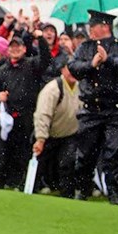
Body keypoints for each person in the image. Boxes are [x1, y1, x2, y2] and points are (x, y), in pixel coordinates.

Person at [67, 9, 118, 205]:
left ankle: (114, 193)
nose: (90, 29)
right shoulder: (84, 48)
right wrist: (91, 64)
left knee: (113, 153)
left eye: (93, 26)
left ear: (104, 27)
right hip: (91, 109)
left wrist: (108, 60)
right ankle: (83, 189)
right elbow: (74, 68)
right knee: (85, 153)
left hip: (115, 109)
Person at [0, 32, 52, 190]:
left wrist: (40, 38)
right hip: (9, 119)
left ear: (25, 49)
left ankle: (26, 184)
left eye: (18, 46)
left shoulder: (32, 65)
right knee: (4, 152)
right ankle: (1, 183)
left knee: (26, 152)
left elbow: (46, 59)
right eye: (12, 47)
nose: (15, 49)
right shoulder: (3, 70)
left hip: (28, 116)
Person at [33, 63, 81, 197]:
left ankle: (67, 196)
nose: (72, 73)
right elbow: (43, 114)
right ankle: (28, 190)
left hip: (69, 134)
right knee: (38, 165)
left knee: (68, 164)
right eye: (69, 69)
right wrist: (41, 139)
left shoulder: (82, 87)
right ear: (62, 70)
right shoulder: (52, 89)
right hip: (49, 133)